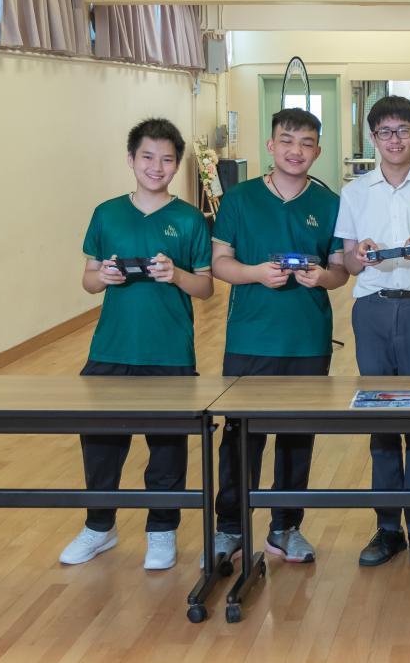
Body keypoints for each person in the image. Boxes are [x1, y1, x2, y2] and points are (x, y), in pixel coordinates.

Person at [60, 117, 213, 571]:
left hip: (170, 353)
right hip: (110, 350)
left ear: (177, 165)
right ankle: (99, 527)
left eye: (167, 159)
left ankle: (162, 531)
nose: (156, 167)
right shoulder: (107, 213)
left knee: (167, 447)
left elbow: (205, 288)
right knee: (101, 446)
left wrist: (176, 274)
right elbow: (88, 280)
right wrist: (103, 277)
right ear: (131, 159)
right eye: (147, 157)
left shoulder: (189, 219)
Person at [208, 108, 349, 566]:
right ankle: (229, 528)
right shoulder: (239, 199)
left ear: (317, 151)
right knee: (239, 437)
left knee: (296, 437)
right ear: (271, 146)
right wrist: (254, 273)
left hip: (307, 340)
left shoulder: (329, 203)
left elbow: (340, 271)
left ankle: (285, 527)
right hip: (249, 339)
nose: (296, 150)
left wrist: (321, 277)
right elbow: (220, 263)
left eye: (306, 143)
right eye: (287, 140)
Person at [335, 95, 410, 568]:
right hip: (372, 310)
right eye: (385, 131)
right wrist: (359, 253)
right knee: (380, 419)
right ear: (373, 137)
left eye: (404, 130)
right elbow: (347, 264)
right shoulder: (354, 192)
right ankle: (387, 528)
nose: (395, 139)